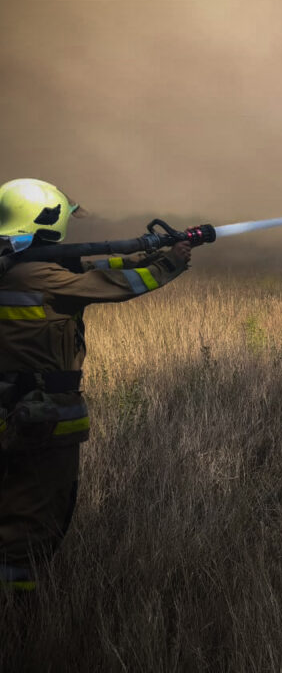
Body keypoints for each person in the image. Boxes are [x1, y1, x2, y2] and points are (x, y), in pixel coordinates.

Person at [0, 178, 196, 592]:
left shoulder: (16, 270)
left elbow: (91, 265)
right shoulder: (41, 278)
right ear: (48, 220)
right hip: (38, 416)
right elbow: (113, 284)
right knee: (31, 522)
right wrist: (169, 263)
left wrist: (145, 253)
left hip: (10, 405)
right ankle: (16, 611)